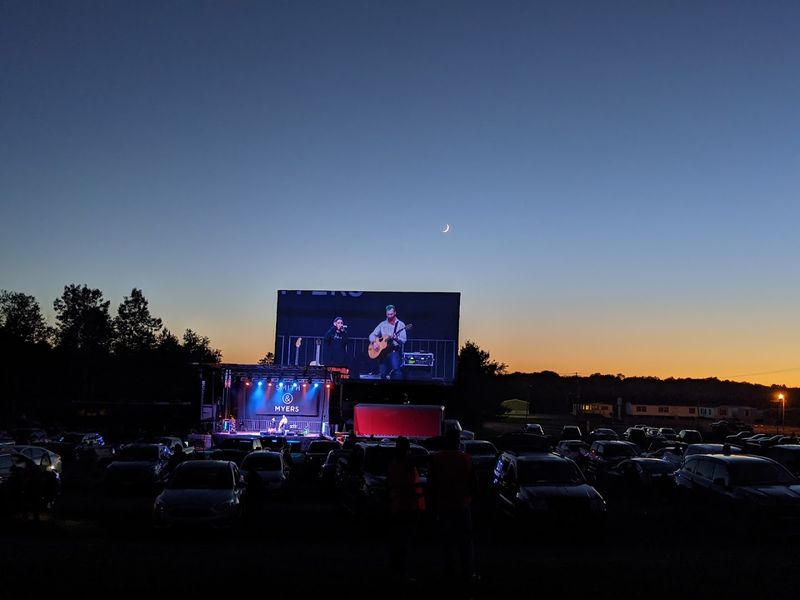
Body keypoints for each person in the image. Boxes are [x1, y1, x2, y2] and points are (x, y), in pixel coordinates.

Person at [427, 428, 478, 587]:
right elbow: (474, 484)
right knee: (465, 542)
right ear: (458, 441)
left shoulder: (436, 459)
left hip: (443, 506)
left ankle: (449, 571)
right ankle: (467, 573)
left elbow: (431, 484)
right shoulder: (466, 459)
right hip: (462, 505)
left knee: (447, 541)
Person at [386, 436, 425, 583]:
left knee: (397, 542)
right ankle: (402, 573)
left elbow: (390, 486)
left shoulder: (393, 465)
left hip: (396, 508)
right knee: (405, 543)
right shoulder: (408, 466)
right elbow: (412, 487)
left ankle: (396, 572)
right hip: (409, 508)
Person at [368, 304, 407, 380]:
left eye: (391, 314)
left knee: (396, 372)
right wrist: (374, 342)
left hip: (394, 351)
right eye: (388, 314)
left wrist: (396, 339)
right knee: (382, 374)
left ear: (395, 313)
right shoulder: (382, 324)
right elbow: (372, 335)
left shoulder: (400, 324)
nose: (389, 316)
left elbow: (404, 340)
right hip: (382, 353)